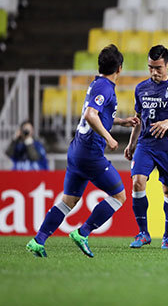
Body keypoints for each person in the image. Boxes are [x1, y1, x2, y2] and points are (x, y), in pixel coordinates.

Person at [26, 44, 140, 257]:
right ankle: (83, 232)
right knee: (119, 196)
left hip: (76, 151)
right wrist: (109, 138)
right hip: (90, 154)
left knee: (69, 201)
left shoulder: (97, 84)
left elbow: (97, 115)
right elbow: (90, 115)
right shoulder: (105, 87)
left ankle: (38, 240)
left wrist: (121, 121)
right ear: (120, 68)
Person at [124, 45, 168, 250]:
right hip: (145, 144)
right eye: (150, 67)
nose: (154, 72)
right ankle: (143, 233)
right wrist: (132, 143)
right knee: (137, 182)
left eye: (158, 67)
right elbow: (138, 120)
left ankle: (167, 236)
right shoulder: (141, 88)